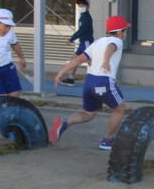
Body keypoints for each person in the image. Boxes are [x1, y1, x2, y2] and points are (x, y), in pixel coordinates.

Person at [49, 15, 130, 150]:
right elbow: (110, 47)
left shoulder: (97, 42)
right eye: (125, 30)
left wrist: (61, 72)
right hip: (103, 81)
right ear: (119, 32)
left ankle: (64, 122)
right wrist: (106, 61)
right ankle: (108, 140)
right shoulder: (117, 41)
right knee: (120, 108)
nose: (126, 33)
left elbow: (78, 59)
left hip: (89, 82)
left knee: (89, 114)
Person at [59, 0, 94, 86]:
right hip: (83, 42)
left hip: (86, 42)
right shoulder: (83, 17)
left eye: (82, 5)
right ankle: (71, 78)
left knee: (90, 61)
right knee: (74, 60)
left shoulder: (86, 17)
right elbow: (81, 30)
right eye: (79, 5)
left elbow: (82, 30)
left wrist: (71, 39)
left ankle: (100, 78)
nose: (80, 6)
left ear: (87, 6)